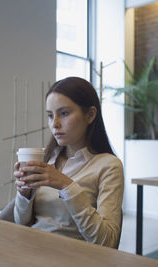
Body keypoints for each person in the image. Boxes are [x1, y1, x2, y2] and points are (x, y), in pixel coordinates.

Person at [13, 76, 124, 249]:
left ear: (90, 115)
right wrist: (25, 194)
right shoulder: (46, 158)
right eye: (50, 116)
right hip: (31, 249)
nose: (54, 124)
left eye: (64, 113)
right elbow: (21, 223)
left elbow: (107, 242)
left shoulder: (108, 166)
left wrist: (66, 185)